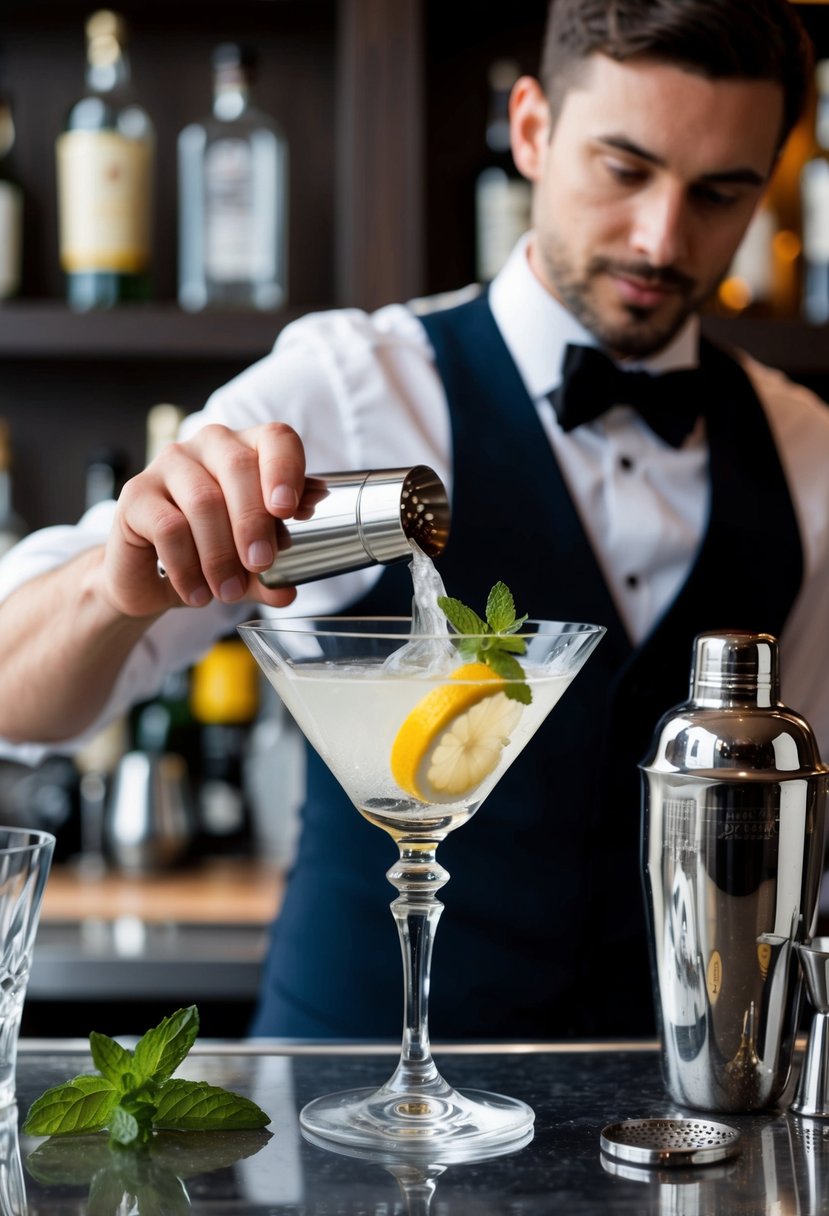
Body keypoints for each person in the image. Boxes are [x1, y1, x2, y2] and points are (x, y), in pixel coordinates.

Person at [0, 0, 825, 1039]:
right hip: (332, 1112)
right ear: (530, 129)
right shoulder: (347, 384)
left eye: (720, 191)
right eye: (624, 168)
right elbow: (9, 693)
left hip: (656, 1114)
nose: (663, 236)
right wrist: (109, 584)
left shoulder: (805, 453)